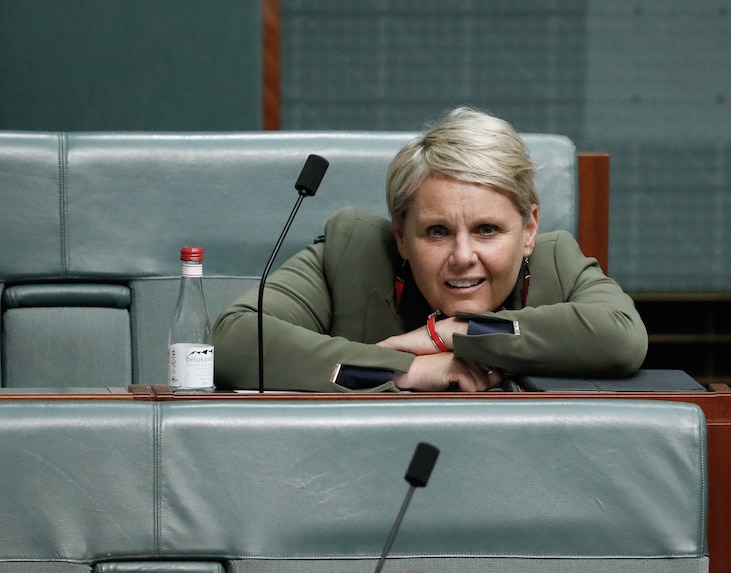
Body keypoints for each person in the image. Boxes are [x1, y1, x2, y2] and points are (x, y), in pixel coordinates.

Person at [212, 107, 647, 392]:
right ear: (401, 234)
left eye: (487, 229)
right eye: (437, 231)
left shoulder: (556, 262)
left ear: (529, 228)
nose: (462, 255)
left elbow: (621, 338)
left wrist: (454, 332)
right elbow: (232, 342)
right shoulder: (352, 252)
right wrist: (406, 369)